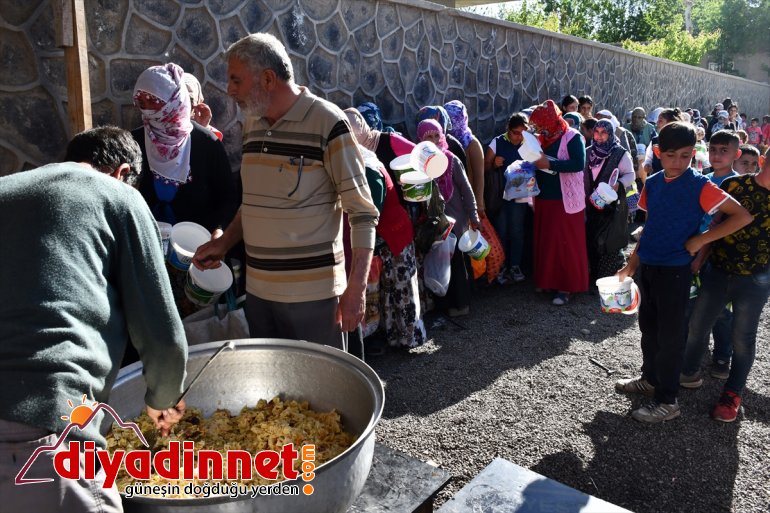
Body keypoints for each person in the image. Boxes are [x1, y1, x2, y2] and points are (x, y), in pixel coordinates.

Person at [0, 126, 188, 512]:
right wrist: (162, 401)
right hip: (44, 430)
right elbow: (163, 339)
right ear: (121, 172)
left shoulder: (7, 190)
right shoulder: (119, 197)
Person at [193, 33, 379, 349]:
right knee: (277, 394)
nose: (229, 90)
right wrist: (224, 243)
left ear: (268, 79)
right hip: (260, 297)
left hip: (314, 301)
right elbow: (252, 205)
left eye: (236, 80)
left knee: (325, 392)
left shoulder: (328, 123)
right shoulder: (252, 125)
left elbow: (362, 213)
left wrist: (356, 289)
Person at [614, 122, 751, 424]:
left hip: (675, 272)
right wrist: (631, 266)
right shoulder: (653, 183)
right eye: (671, 155)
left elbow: (742, 215)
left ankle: (668, 400)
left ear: (693, 155)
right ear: (659, 153)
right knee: (648, 329)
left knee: (671, 337)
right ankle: (650, 380)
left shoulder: (700, 185)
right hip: (648, 267)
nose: (678, 163)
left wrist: (701, 240)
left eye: (686, 156)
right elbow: (650, 227)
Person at [679, 149, 770, 422]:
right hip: (718, 271)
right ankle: (689, 372)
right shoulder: (735, 185)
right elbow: (716, 225)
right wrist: (700, 257)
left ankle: (732, 393)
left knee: (743, 338)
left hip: (756, 279)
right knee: (698, 325)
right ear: (764, 161)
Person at [345, 109, 425, 350]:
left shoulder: (370, 170)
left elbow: (373, 210)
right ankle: (395, 336)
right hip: (388, 237)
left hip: (395, 234)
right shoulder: (368, 163)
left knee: (403, 288)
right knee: (389, 289)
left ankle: (411, 336)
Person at [132, 63, 239, 234]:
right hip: (144, 241)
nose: (148, 111)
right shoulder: (133, 142)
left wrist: (218, 231)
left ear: (174, 100)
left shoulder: (207, 143)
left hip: (196, 245)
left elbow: (227, 198)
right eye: (142, 103)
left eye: (154, 101)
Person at [417, 119, 480, 317]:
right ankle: (441, 304)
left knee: (457, 263)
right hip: (434, 222)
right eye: (429, 137)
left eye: (437, 135)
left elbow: (466, 190)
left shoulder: (451, 159)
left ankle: (461, 304)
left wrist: (474, 215)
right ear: (421, 139)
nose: (434, 141)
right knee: (437, 260)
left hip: (456, 221)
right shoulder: (418, 162)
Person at [529, 100, 589, 305]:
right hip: (544, 197)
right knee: (547, 241)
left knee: (565, 243)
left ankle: (566, 287)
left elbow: (578, 164)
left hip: (566, 200)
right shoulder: (541, 138)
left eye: (541, 125)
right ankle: (548, 281)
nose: (539, 129)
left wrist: (550, 164)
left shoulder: (573, 137)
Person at [584, 119, 635, 282]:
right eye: (596, 132)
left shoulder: (620, 153)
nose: (599, 136)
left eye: (604, 132)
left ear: (611, 134)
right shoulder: (588, 151)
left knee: (608, 241)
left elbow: (631, 175)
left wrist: (618, 184)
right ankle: (591, 275)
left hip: (611, 206)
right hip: (589, 203)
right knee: (590, 236)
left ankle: (607, 277)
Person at [484, 113, 530, 284]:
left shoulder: (529, 143)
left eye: (522, 133)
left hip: (521, 196)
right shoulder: (497, 142)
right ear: (508, 130)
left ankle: (515, 265)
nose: (518, 136)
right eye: (515, 132)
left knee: (517, 231)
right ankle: (501, 266)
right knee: (501, 231)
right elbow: (484, 166)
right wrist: (493, 163)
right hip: (501, 197)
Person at [445, 100, 486, 219]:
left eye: (454, 119)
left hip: (470, 200)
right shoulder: (445, 141)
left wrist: (479, 204)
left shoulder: (472, 144)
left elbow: (479, 176)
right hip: (453, 201)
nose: (451, 123)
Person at [183, 72, 223, 140]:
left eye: (189, 99)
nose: (180, 105)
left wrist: (202, 128)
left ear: (198, 102)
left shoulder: (210, 136)